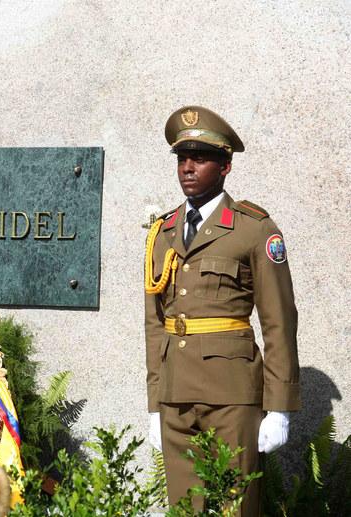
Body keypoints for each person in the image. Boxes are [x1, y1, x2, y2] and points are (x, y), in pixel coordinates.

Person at [144, 106, 300, 516]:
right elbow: (155, 324)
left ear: (226, 166)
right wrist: (155, 402)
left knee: (237, 506)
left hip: (231, 393)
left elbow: (279, 321)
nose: (188, 168)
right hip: (176, 396)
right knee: (183, 508)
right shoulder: (163, 232)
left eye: (199, 158)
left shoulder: (253, 229)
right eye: (182, 158)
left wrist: (279, 406)